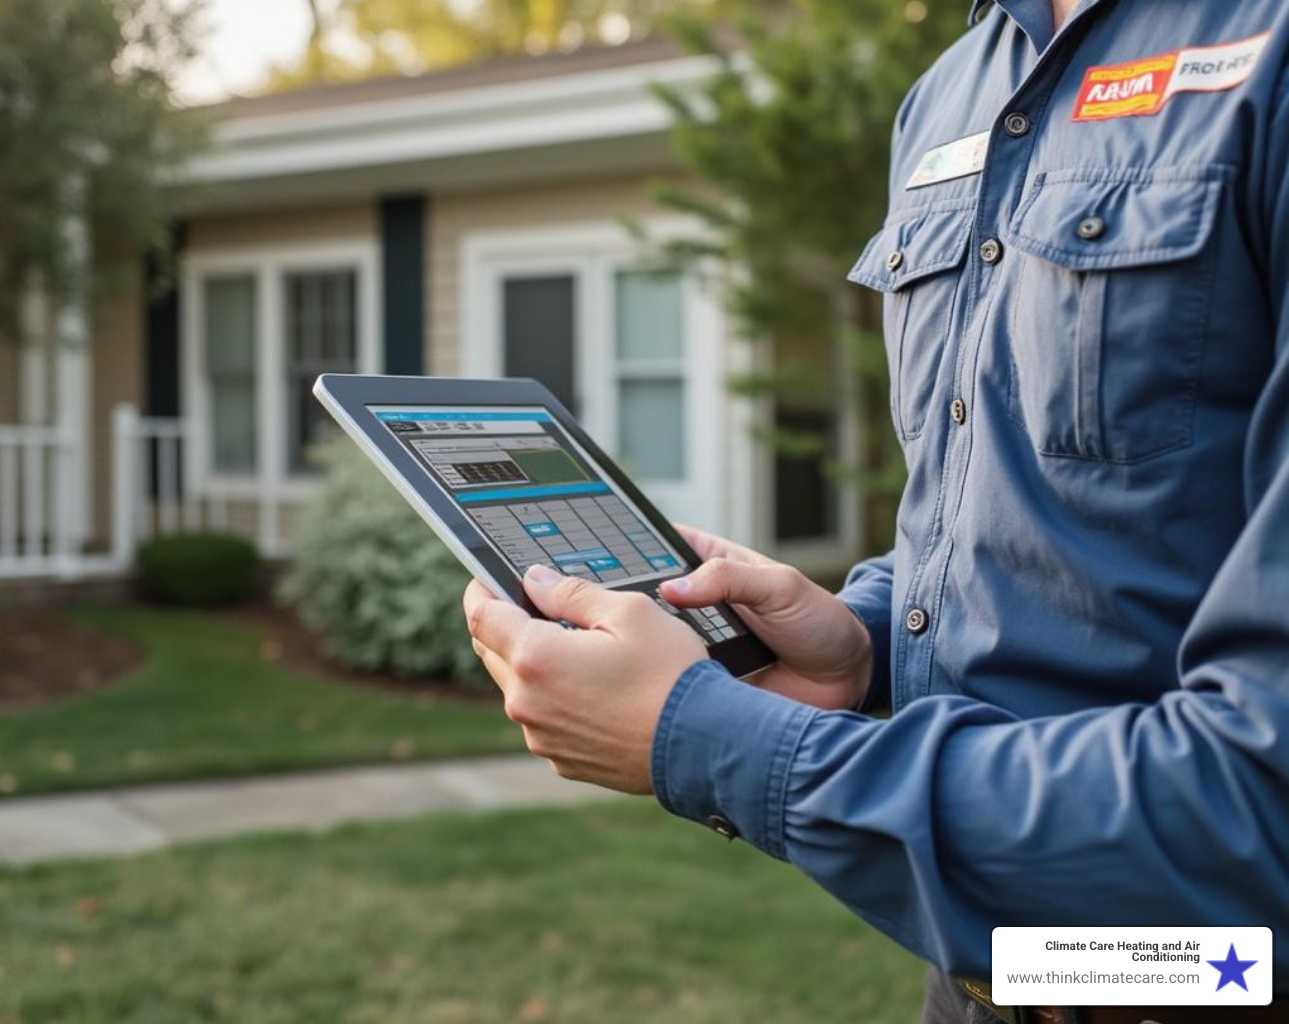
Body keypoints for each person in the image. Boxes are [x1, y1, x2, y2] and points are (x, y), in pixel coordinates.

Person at [463, 1, 1289, 1022]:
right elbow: (1027, 497)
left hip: (1228, 987)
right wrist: (865, 642)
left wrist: (705, 737)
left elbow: (1267, 802)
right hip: (994, 978)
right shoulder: (948, 94)